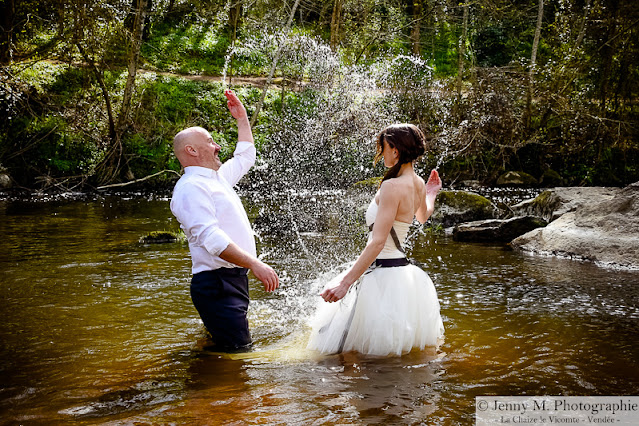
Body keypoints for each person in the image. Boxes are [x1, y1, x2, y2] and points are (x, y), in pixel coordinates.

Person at [307, 123, 444, 356]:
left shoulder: (392, 186)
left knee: (346, 355)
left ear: (395, 151)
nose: (380, 154)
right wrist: (431, 193)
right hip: (404, 277)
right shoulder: (418, 183)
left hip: (381, 276)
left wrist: (345, 283)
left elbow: (378, 241)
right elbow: (422, 217)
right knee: (389, 354)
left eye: (383, 148)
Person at [170, 89, 279, 352]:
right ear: (191, 150)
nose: (217, 146)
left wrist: (242, 118)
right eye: (210, 141)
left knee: (224, 350)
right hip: (217, 285)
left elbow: (245, 157)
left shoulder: (215, 178)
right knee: (238, 354)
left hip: (230, 280)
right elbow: (213, 240)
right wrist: (256, 264)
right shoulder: (190, 188)